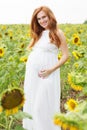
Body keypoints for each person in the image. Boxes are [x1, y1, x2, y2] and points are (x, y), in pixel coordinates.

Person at [23, 6, 69, 130]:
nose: (42, 20)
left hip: (48, 74)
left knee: (43, 105)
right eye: (39, 19)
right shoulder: (38, 34)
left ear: (50, 16)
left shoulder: (58, 33)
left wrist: (51, 70)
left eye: (44, 17)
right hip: (33, 74)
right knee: (33, 103)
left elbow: (66, 55)